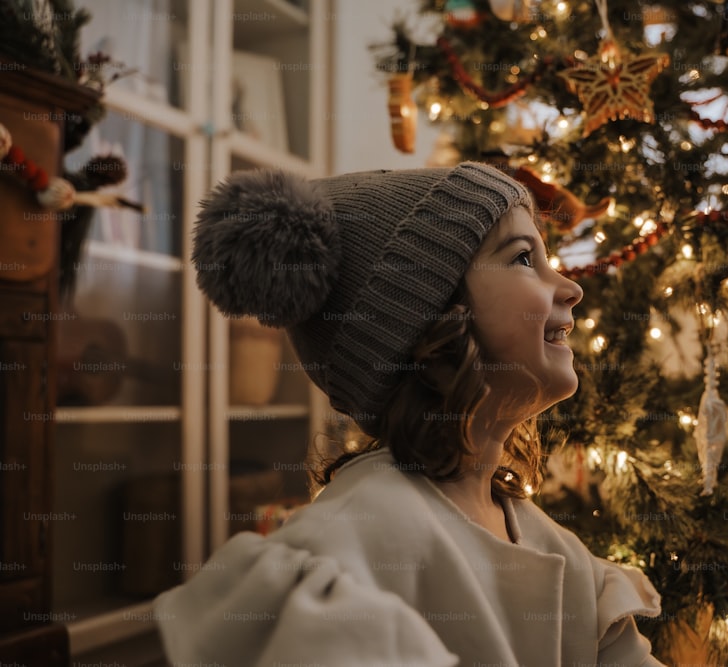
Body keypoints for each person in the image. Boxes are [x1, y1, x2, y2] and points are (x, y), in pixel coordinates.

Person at [154, 162, 665, 666]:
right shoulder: (354, 542)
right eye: (524, 258)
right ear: (435, 322)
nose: (571, 287)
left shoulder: (556, 549)